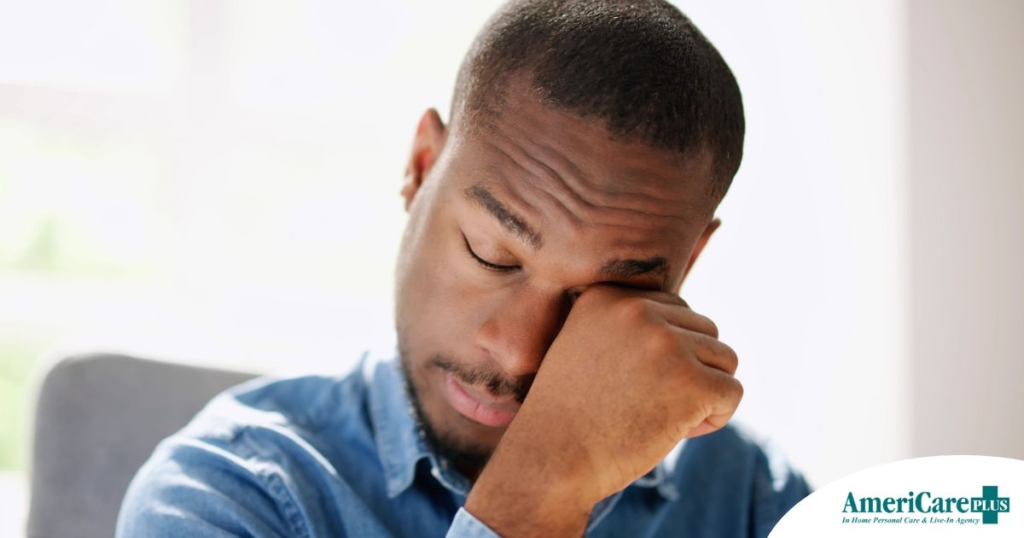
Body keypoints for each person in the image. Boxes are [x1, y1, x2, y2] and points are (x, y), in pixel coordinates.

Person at [117, 0, 810, 536]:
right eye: (492, 254)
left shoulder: (751, 498)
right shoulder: (228, 496)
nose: (518, 349)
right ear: (421, 170)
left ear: (684, 268)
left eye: (606, 292)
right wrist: (544, 487)